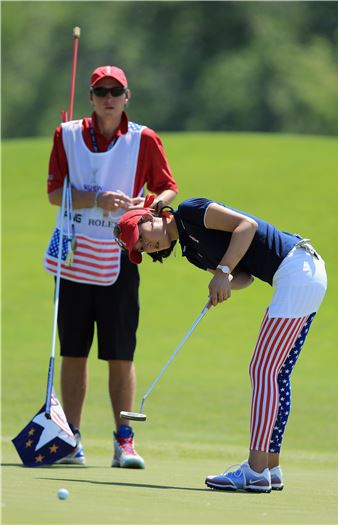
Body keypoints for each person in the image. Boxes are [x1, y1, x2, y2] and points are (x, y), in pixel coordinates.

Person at [114, 196, 327, 491]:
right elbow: (245, 277)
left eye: (141, 238)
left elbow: (246, 226)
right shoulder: (191, 252)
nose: (145, 247)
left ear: (148, 217)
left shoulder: (191, 210)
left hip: (298, 269)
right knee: (275, 374)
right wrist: (223, 282)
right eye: (140, 249)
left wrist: (223, 271)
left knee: (262, 370)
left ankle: (254, 470)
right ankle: (271, 468)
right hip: (301, 275)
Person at [44, 65, 178, 468]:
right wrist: (96, 199)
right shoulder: (65, 134)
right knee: (74, 352)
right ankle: (71, 439)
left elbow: (168, 186)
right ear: (90, 97)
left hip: (122, 254)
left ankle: (124, 442)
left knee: (121, 353)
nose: (108, 98)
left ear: (126, 96)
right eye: (100, 91)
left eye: (115, 91)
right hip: (74, 256)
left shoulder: (144, 139)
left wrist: (147, 206)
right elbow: (54, 193)